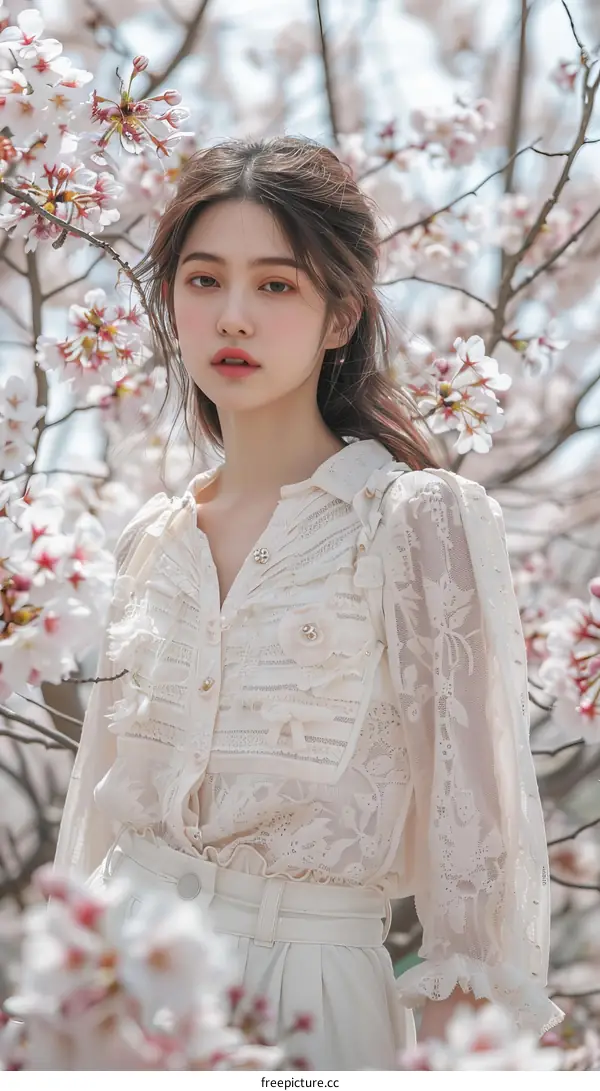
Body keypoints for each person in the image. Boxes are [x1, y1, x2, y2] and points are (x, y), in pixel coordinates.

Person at [54, 135, 564, 1070]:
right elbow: (92, 823)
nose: (233, 316)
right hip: (119, 985)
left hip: (305, 1004)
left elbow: (474, 867)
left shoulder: (416, 520)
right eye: (203, 280)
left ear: (341, 316)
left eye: (277, 285)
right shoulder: (150, 540)